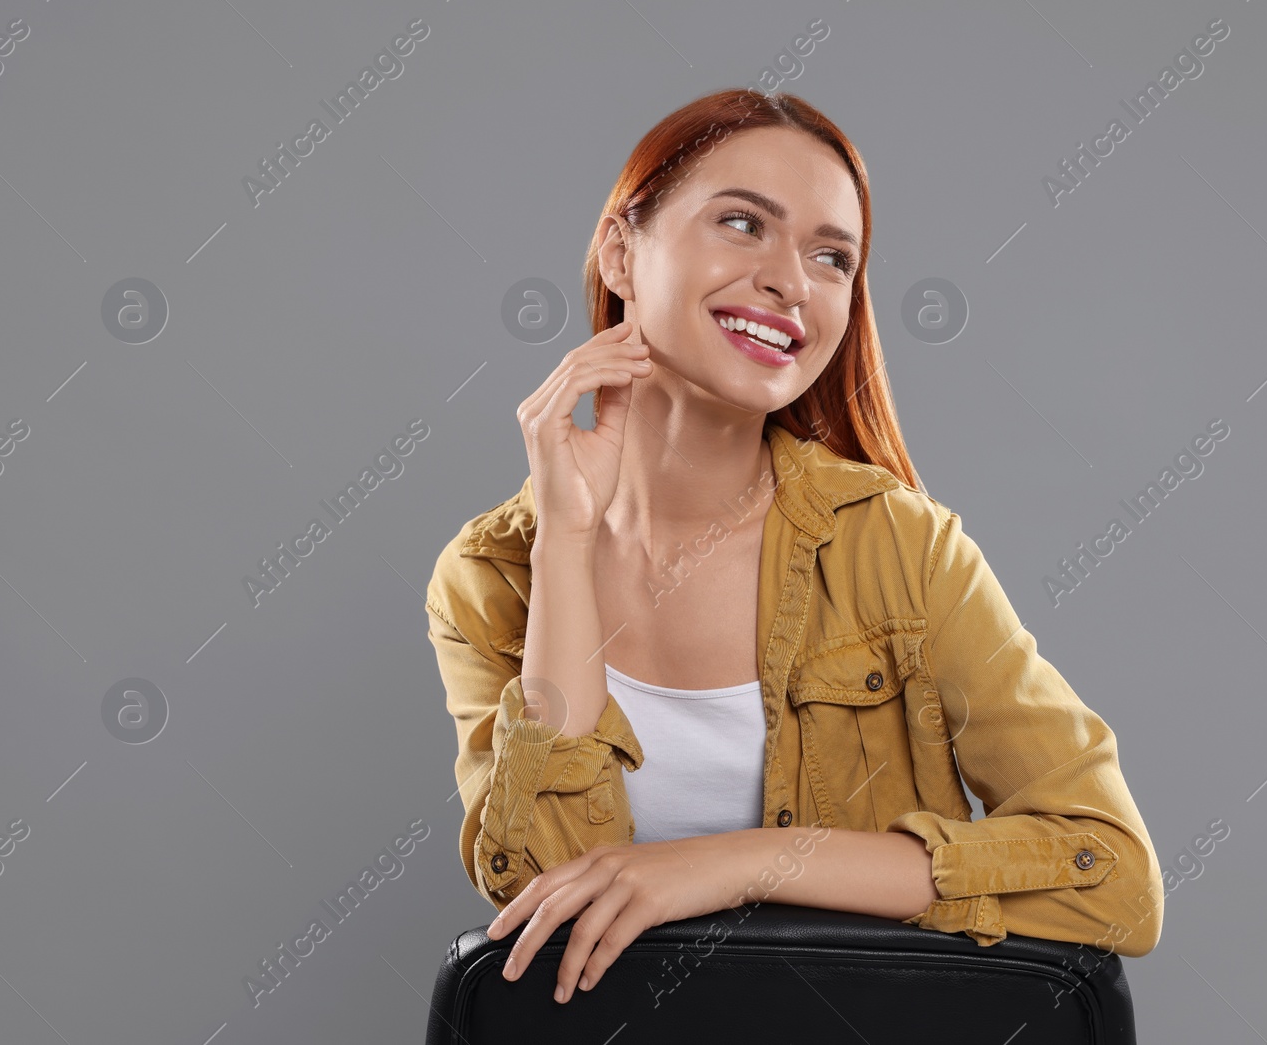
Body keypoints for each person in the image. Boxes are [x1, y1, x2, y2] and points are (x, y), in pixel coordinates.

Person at [425, 87, 1163, 1006]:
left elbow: (1115, 877)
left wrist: (745, 865)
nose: (791, 280)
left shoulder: (902, 550)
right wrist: (569, 540)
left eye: (831, 257)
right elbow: (539, 885)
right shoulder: (489, 576)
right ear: (620, 249)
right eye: (743, 223)